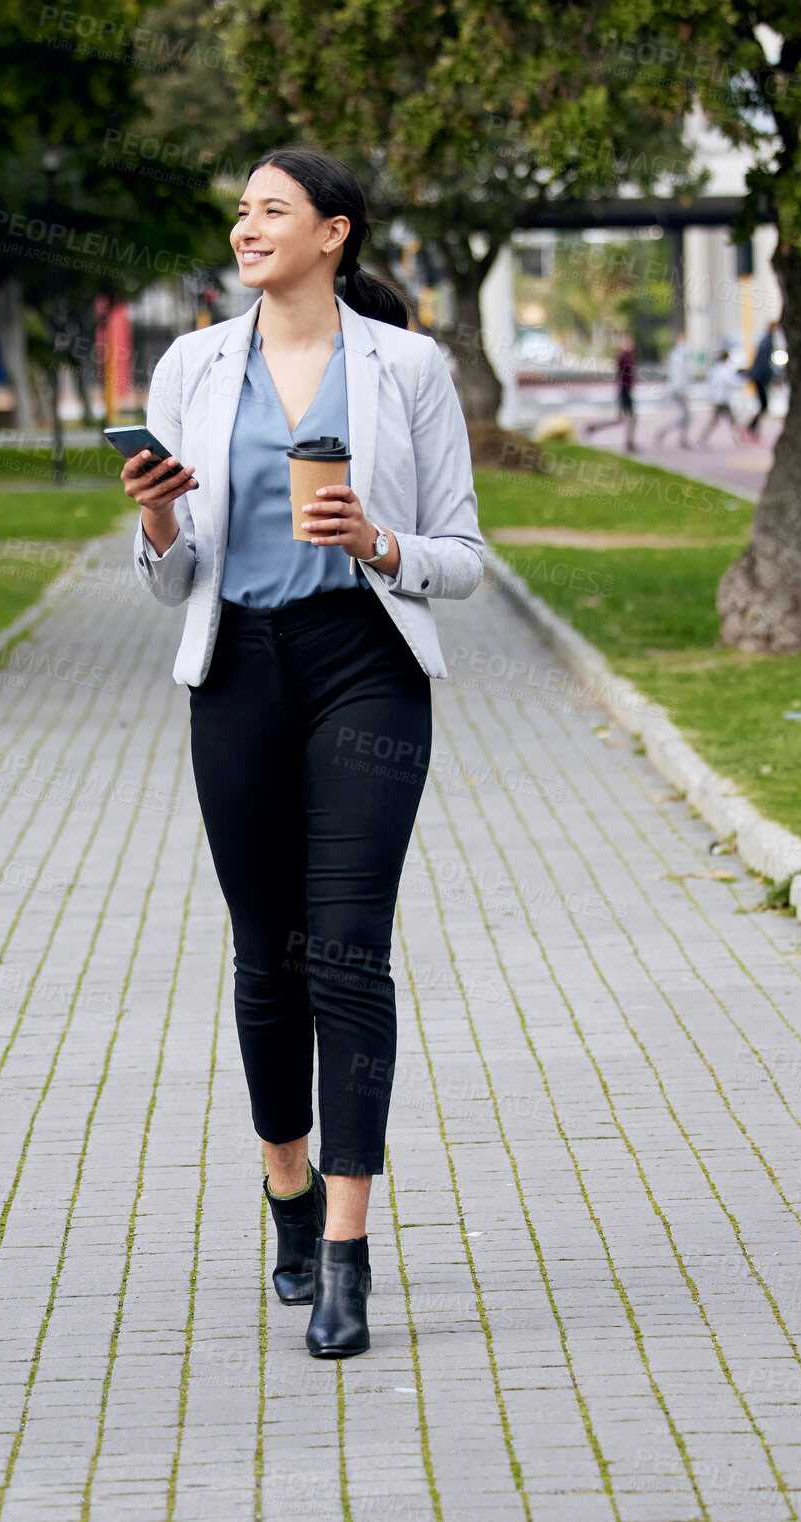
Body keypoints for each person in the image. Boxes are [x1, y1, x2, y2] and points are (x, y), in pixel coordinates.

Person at [123, 146, 484, 1360]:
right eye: (237, 210)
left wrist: (380, 542)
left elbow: (466, 557)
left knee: (346, 955)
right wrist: (158, 514)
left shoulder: (409, 367)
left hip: (363, 666)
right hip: (236, 671)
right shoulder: (191, 365)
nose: (245, 226)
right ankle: (282, 1190)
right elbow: (171, 581)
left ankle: (345, 1253)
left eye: (269, 209)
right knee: (267, 957)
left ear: (332, 233)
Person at [584, 336, 637, 452]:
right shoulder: (623, 357)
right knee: (630, 418)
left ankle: (594, 427)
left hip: (626, 390)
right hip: (624, 391)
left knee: (621, 419)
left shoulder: (628, 356)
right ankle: (629, 443)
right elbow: (621, 372)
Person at [652, 330, 692, 449]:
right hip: (678, 390)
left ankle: (682, 439)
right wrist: (683, 391)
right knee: (684, 416)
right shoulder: (678, 356)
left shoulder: (681, 356)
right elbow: (680, 376)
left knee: (686, 416)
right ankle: (665, 431)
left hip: (679, 389)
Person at [741, 323, 779, 439]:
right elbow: (764, 363)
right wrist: (771, 378)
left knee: (763, 406)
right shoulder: (768, 342)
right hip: (761, 378)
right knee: (763, 406)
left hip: (759, 377)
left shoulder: (765, 340)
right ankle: (750, 428)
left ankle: (752, 430)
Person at [700, 348, 741, 446]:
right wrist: (741, 381)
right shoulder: (724, 370)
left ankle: (703, 437)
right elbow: (732, 382)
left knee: (717, 420)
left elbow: (709, 383)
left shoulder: (716, 369)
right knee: (731, 421)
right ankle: (738, 439)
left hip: (717, 398)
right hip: (722, 400)